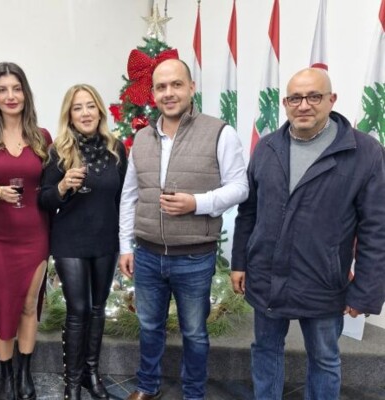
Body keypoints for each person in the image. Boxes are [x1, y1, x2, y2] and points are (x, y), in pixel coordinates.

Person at [231, 67, 385, 399]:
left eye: (314, 96)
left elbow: (376, 229)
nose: (304, 105)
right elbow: (249, 211)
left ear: (331, 100)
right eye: (295, 98)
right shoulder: (268, 147)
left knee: (325, 359)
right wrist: (240, 261)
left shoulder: (364, 153)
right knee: (265, 350)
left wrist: (365, 291)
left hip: (323, 281)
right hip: (266, 276)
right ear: (285, 103)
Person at [119, 58, 249, 400]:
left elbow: (240, 187)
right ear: (153, 94)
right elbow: (129, 195)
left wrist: (197, 203)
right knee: (149, 327)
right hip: (147, 254)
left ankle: (193, 393)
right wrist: (126, 246)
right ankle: (147, 386)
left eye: (176, 84)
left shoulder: (220, 132)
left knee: (194, 333)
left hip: (194, 257)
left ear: (191, 87)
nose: (169, 93)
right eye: (161, 87)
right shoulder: (142, 137)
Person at [0, 62, 51, 400]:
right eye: (2, 90)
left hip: (36, 232)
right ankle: (5, 375)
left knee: (29, 304)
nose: (10, 96)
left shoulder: (41, 137)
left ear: (25, 93)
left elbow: (50, 186)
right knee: (3, 303)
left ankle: (25, 373)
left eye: (16, 88)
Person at [38, 84, 127, 400]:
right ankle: (72, 383)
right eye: (78, 108)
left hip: (105, 239)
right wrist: (62, 186)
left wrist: (125, 242)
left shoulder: (116, 149)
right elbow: (44, 200)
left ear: (100, 111)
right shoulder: (58, 150)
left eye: (90, 106)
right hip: (70, 240)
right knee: (78, 309)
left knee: (98, 308)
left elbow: (123, 199)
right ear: (69, 115)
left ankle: (91, 373)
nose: (85, 113)